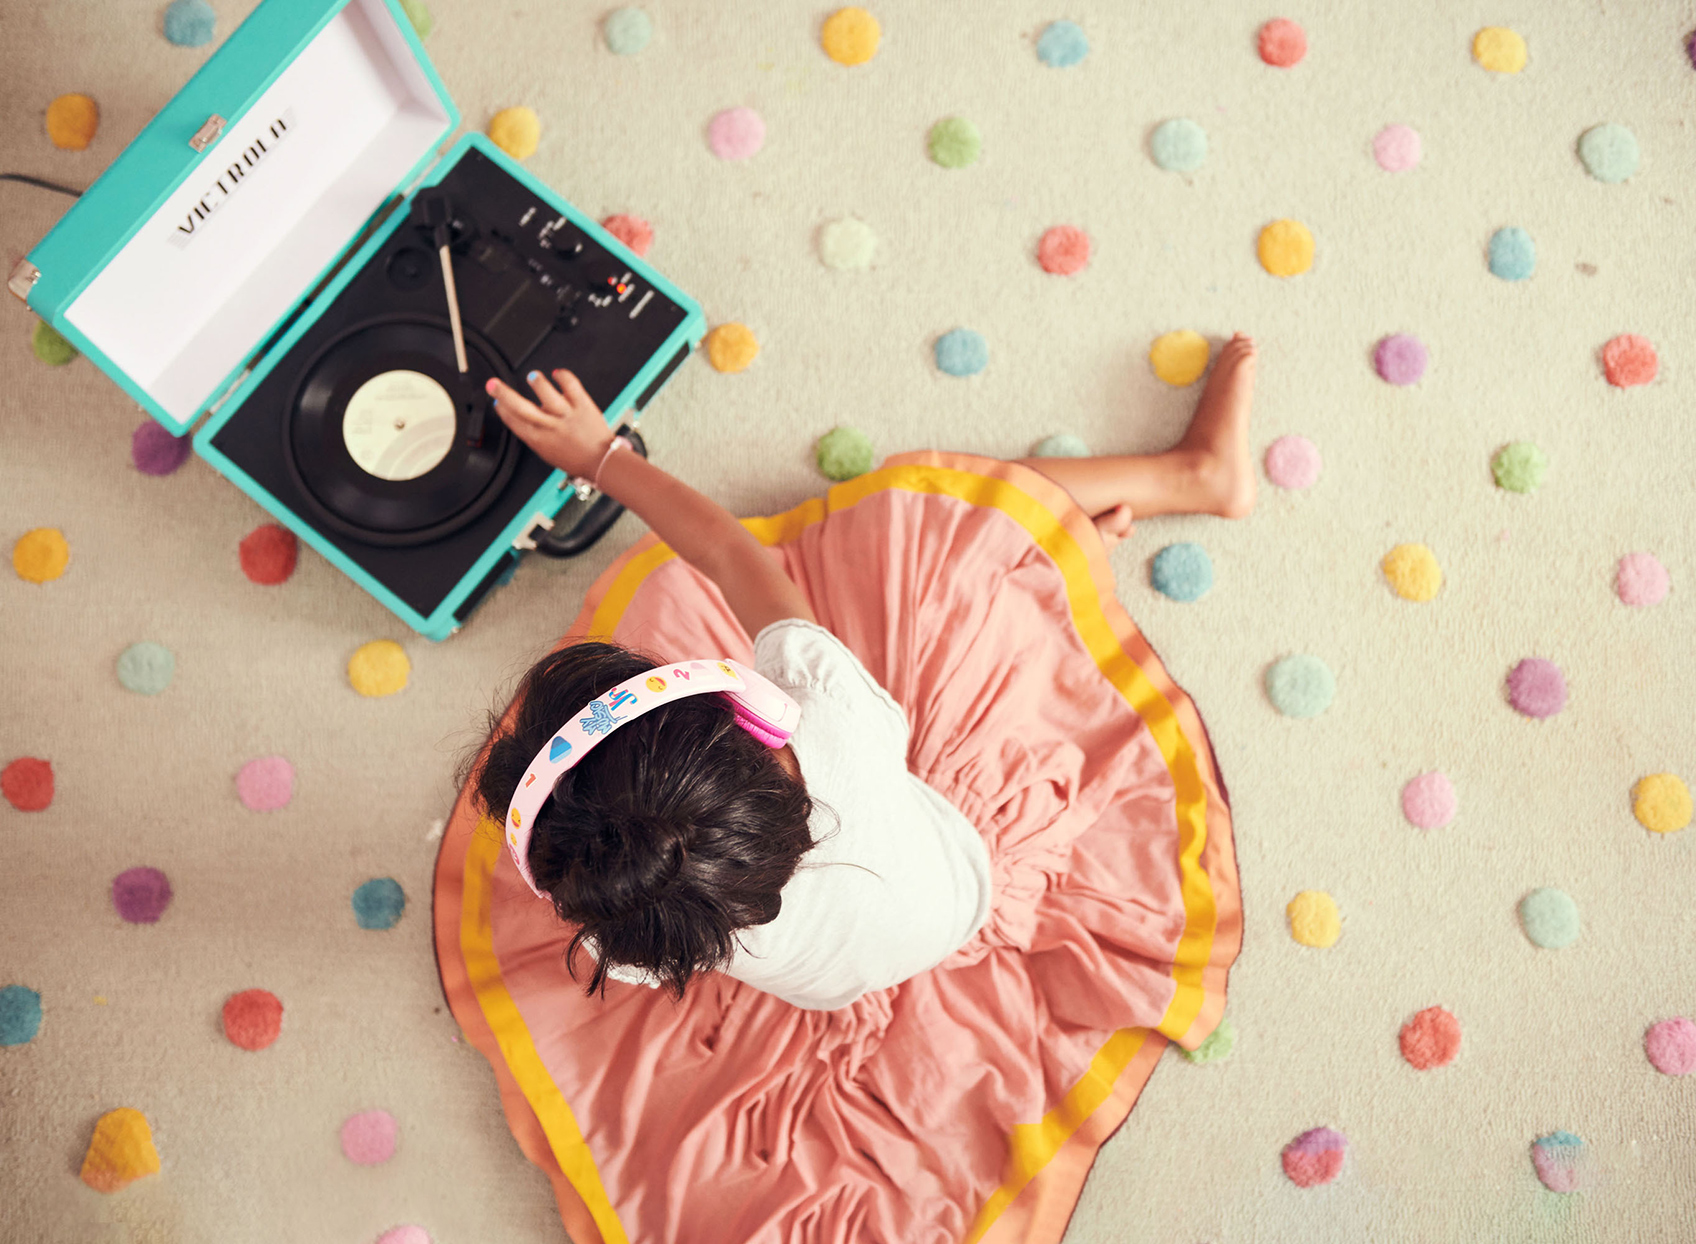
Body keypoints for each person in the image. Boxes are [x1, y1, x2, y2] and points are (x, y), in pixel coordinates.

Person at [435, 339, 1250, 1241]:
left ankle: (1068, 544)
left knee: (955, 551)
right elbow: (724, 550)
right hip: (962, 875)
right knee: (935, 529)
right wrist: (602, 457)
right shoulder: (836, 719)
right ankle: (1187, 478)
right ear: (758, 724)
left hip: (843, 973)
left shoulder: (631, 928)